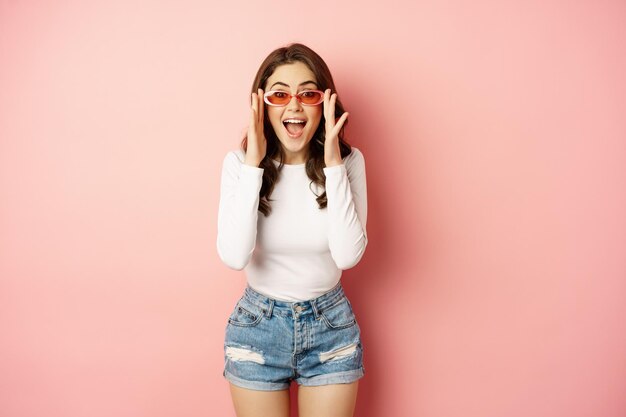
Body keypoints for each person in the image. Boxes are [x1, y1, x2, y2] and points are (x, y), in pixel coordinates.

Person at [216, 42, 368, 417]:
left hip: (330, 327)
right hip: (257, 328)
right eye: (280, 94)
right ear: (263, 105)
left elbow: (349, 255)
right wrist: (254, 165)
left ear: (325, 102)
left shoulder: (348, 163)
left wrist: (332, 164)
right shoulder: (238, 164)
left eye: (308, 93)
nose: (294, 105)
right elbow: (234, 257)